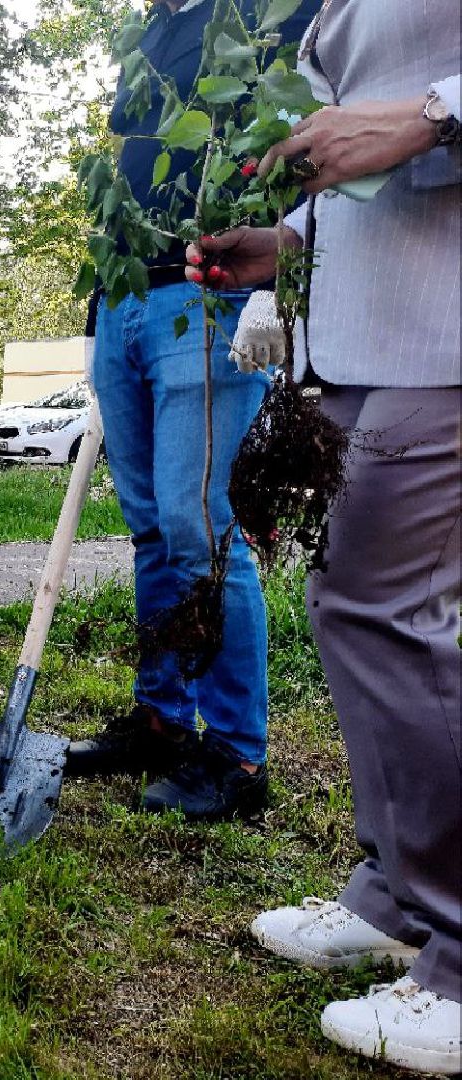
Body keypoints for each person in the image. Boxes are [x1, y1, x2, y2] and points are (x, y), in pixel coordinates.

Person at [191, 2, 459, 1071]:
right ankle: (398, 897)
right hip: (363, 331)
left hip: (445, 331)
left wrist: (436, 114)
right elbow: (363, 172)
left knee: (385, 609)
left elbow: (410, 114)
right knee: (345, 606)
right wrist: (287, 246)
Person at [63, 0, 321, 821]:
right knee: (149, 527)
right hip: (126, 297)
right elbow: (131, 146)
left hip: (205, 297)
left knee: (199, 524)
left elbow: (302, 133)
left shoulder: (267, 9)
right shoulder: (151, 28)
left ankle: (239, 755)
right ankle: (163, 720)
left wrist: (275, 283)